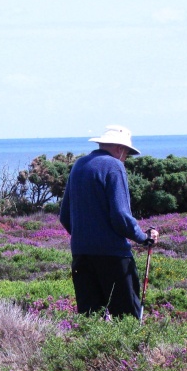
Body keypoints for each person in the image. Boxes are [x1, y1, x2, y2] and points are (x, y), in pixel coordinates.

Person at [59, 125, 159, 319]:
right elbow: (121, 216)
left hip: (81, 255)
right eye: (127, 154)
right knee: (127, 318)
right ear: (120, 149)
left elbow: (65, 216)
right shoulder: (114, 166)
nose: (125, 158)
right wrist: (143, 237)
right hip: (113, 257)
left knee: (90, 319)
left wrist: (86, 237)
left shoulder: (79, 165)